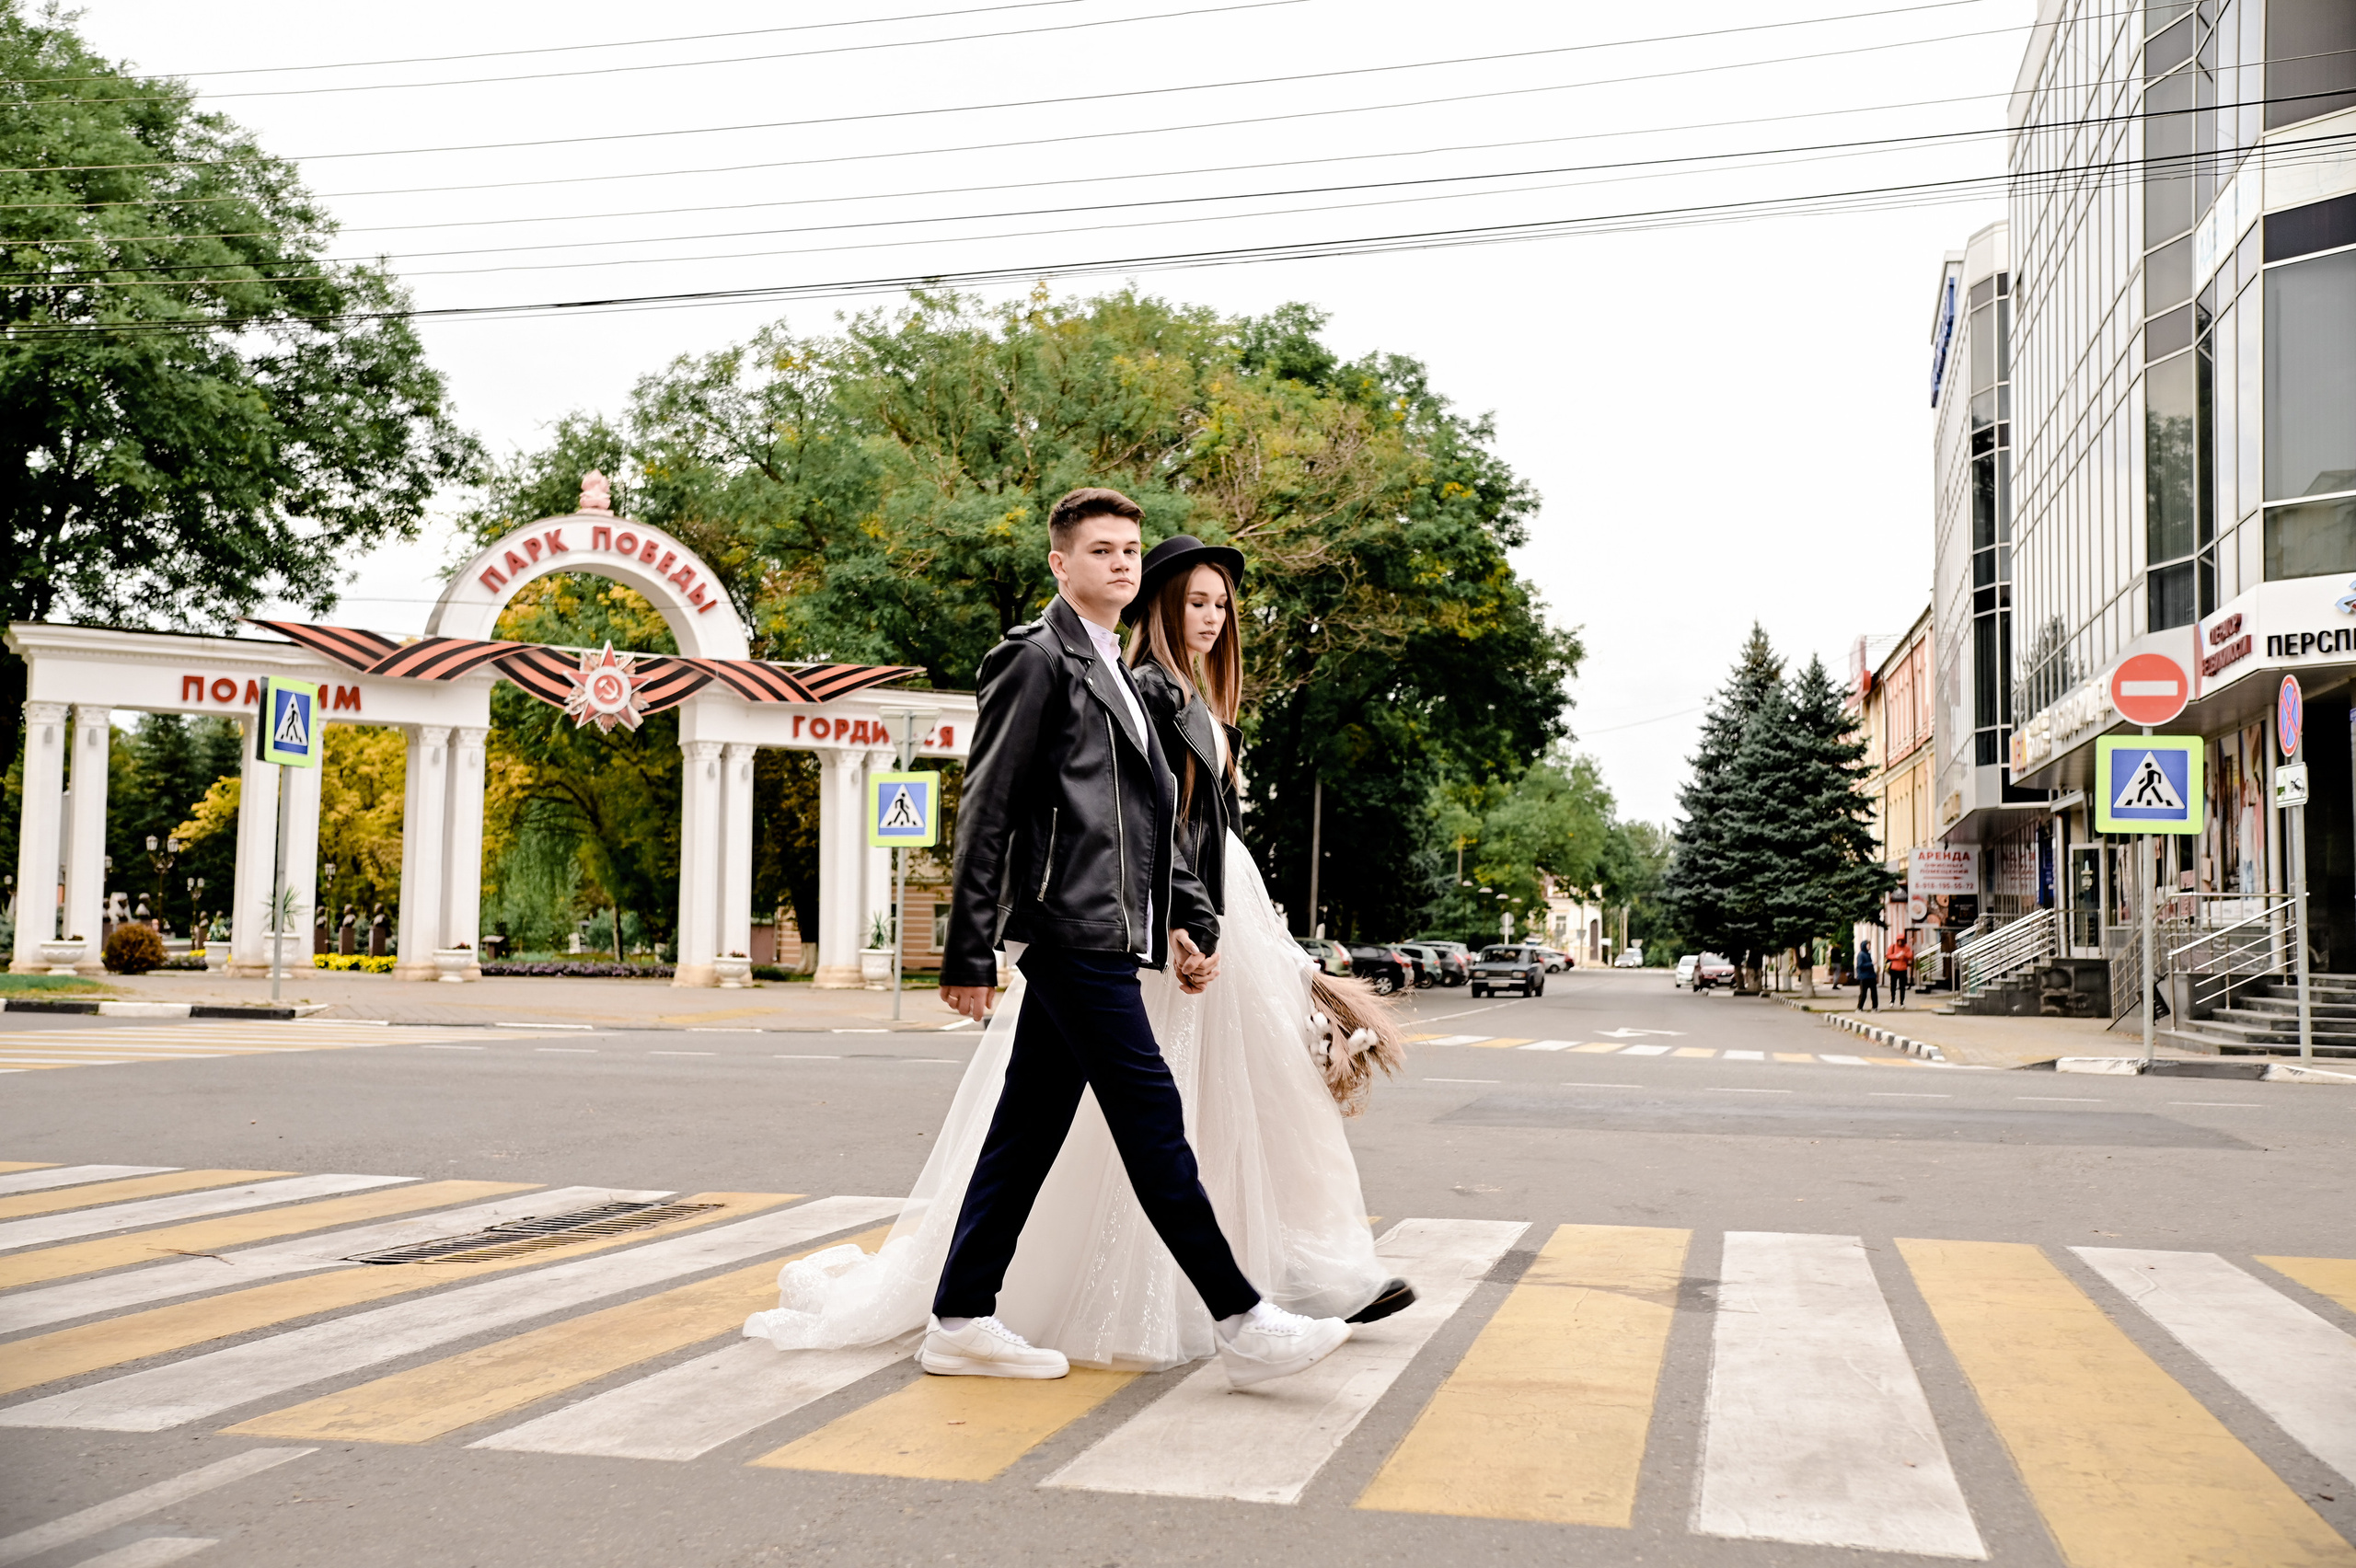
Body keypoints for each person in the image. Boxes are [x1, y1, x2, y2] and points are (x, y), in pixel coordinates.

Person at [745, 490, 1361, 1387]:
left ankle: (958, 1315)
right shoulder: (1034, 661)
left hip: (1115, 929)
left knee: (1024, 1130)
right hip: (1070, 933)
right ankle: (1244, 1319)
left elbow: (1150, 821)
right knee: (1153, 1121)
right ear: (1060, 564)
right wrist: (968, 950)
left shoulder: (1119, 672)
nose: (1118, 562)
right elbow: (988, 809)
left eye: (1129, 550)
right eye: (1100, 549)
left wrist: (1189, 918)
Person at [1885, 932, 1914, 1008]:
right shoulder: (1893, 946)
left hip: (1903, 969)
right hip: (1894, 969)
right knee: (1893, 986)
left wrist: (1904, 954)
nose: (1900, 942)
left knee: (1902, 986)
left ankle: (1902, 1002)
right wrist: (1896, 956)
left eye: (1901, 941)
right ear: (1897, 940)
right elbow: (1888, 955)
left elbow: (1911, 956)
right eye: (1899, 940)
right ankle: (1892, 1000)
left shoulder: (1906, 947)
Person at [1854, 940, 1879, 1011]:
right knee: (1863, 994)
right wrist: (1871, 964)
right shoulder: (1861, 955)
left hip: (1871, 976)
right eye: (1868, 945)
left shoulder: (1868, 954)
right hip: (1864, 977)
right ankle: (1859, 1007)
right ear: (1864, 946)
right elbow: (1860, 965)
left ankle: (1875, 1007)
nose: (1869, 947)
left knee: (1874, 993)